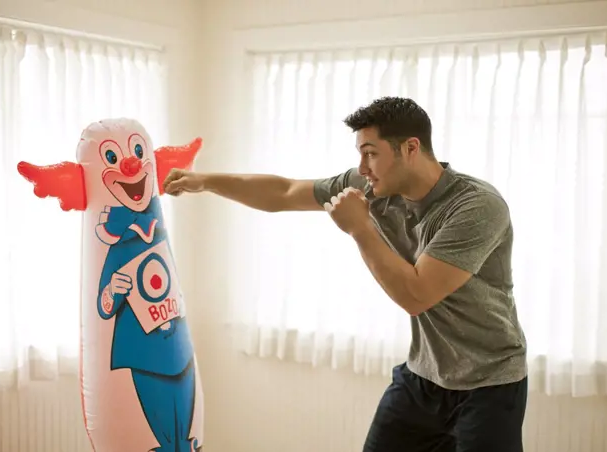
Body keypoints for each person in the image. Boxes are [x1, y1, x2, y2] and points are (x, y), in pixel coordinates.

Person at [163, 96, 528, 452]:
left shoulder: (476, 206)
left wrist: (360, 229)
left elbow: (417, 295)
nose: (363, 167)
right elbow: (285, 192)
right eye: (360, 154)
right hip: (423, 377)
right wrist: (206, 181)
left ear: (411, 148)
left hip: (490, 384)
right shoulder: (372, 186)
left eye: (371, 153)